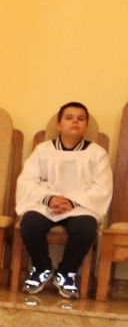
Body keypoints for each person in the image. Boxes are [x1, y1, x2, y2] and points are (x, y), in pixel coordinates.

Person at [15, 101, 113, 299]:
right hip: (46, 203)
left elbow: (102, 187)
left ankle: (67, 272)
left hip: (81, 205)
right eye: (69, 118)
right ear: (59, 124)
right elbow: (27, 181)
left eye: (80, 119)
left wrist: (73, 202)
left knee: (85, 228)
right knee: (30, 223)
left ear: (86, 126)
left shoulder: (96, 153)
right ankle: (41, 267)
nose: (75, 122)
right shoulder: (43, 150)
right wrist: (49, 199)